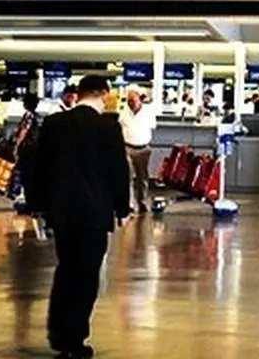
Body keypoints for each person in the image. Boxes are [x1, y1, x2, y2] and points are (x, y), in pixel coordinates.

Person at [27, 75, 130, 359]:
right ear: (102, 94)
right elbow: (118, 171)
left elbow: (39, 166)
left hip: (61, 211)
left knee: (66, 270)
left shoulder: (54, 123)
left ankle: (58, 334)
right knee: (86, 276)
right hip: (94, 213)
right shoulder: (108, 127)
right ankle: (74, 340)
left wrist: (38, 204)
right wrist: (122, 208)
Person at [118, 89, 156, 215]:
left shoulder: (148, 112)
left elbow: (152, 126)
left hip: (143, 148)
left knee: (142, 177)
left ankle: (142, 201)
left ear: (140, 100)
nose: (131, 103)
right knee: (128, 176)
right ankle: (130, 203)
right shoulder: (124, 112)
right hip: (127, 147)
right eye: (129, 101)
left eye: (133, 100)